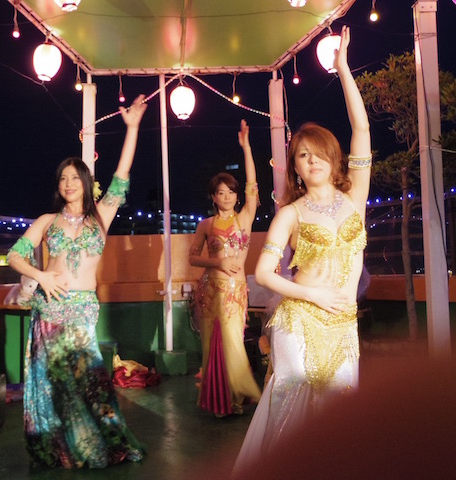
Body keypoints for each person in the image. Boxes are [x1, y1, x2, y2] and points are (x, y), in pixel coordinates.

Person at [234, 25, 371, 470]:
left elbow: (362, 127)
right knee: (290, 407)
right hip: (300, 319)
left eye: (317, 153)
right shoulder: (290, 214)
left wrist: (343, 68)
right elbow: (264, 274)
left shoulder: (355, 198)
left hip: (343, 323)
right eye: (302, 156)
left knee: (339, 417)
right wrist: (311, 294)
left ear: (334, 157)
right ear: (295, 166)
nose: (311, 160)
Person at [7, 95, 147, 469]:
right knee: (52, 383)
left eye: (74, 177)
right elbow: (14, 256)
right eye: (63, 178)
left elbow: (121, 175)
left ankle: (98, 442)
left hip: (83, 308)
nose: (68, 183)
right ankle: (59, 448)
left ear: (85, 182)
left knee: (90, 381)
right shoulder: (46, 220)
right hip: (49, 309)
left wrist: (132, 128)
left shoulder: (101, 216)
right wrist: (40, 275)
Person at [188, 119, 262, 417]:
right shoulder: (205, 225)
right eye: (221, 192)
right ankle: (221, 401)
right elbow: (193, 258)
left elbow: (253, 186)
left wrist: (246, 147)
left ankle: (236, 396)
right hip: (210, 291)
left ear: (237, 195)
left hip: (235, 292)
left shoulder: (244, 218)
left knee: (233, 343)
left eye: (231, 191)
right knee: (212, 346)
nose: (227, 196)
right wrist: (218, 262)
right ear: (213, 196)